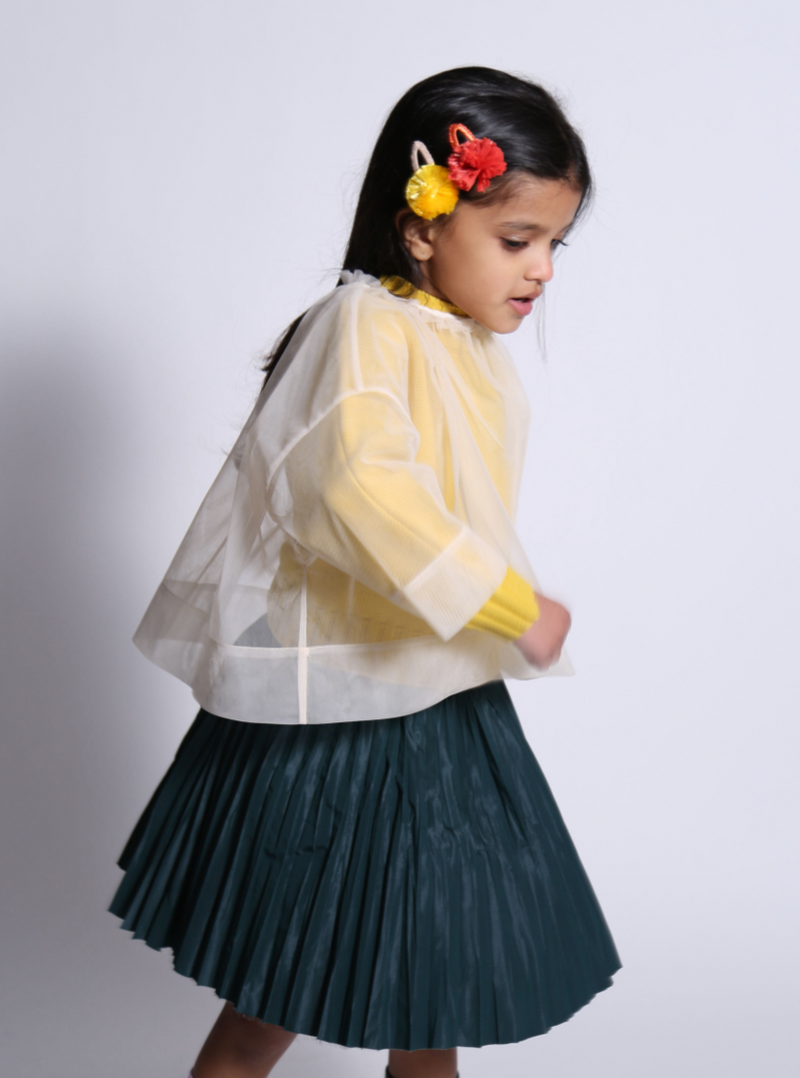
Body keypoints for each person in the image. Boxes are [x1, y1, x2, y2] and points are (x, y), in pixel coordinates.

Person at [109, 66, 621, 1078]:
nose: (541, 271)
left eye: (554, 245)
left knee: (433, 977)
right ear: (422, 224)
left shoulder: (456, 340)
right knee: (278, 984)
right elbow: (355, 486)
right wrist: (509, 603)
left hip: (434, 694)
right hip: (340, 714)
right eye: (516, 240)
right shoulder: (366, 326)